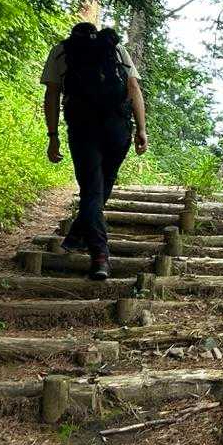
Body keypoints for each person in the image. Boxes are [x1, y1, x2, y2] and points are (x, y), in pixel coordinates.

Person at [42, 22, 147, 279]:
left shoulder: (61, 51)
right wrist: (142, 129)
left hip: (83, 129)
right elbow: (133, 88)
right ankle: (79, 237)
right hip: (118, 128)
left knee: (91, 191)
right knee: (100, 188)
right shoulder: (115, 49)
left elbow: (52, 95)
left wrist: (53, 136)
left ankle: (99, 256)